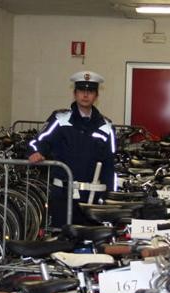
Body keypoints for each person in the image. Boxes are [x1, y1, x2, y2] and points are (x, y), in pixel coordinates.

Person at [28, 71, 116, 227]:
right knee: (62, 244)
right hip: (63, 197)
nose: (85, 95)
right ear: (75, 94)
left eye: (90, 91)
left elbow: (109, 165)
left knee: (91, 244)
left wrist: (109, 198)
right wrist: (37, 152)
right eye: (82, 90)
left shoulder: (106, 127)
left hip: (92, 198)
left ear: (96, 96)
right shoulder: (60, 119)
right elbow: (40, 141)